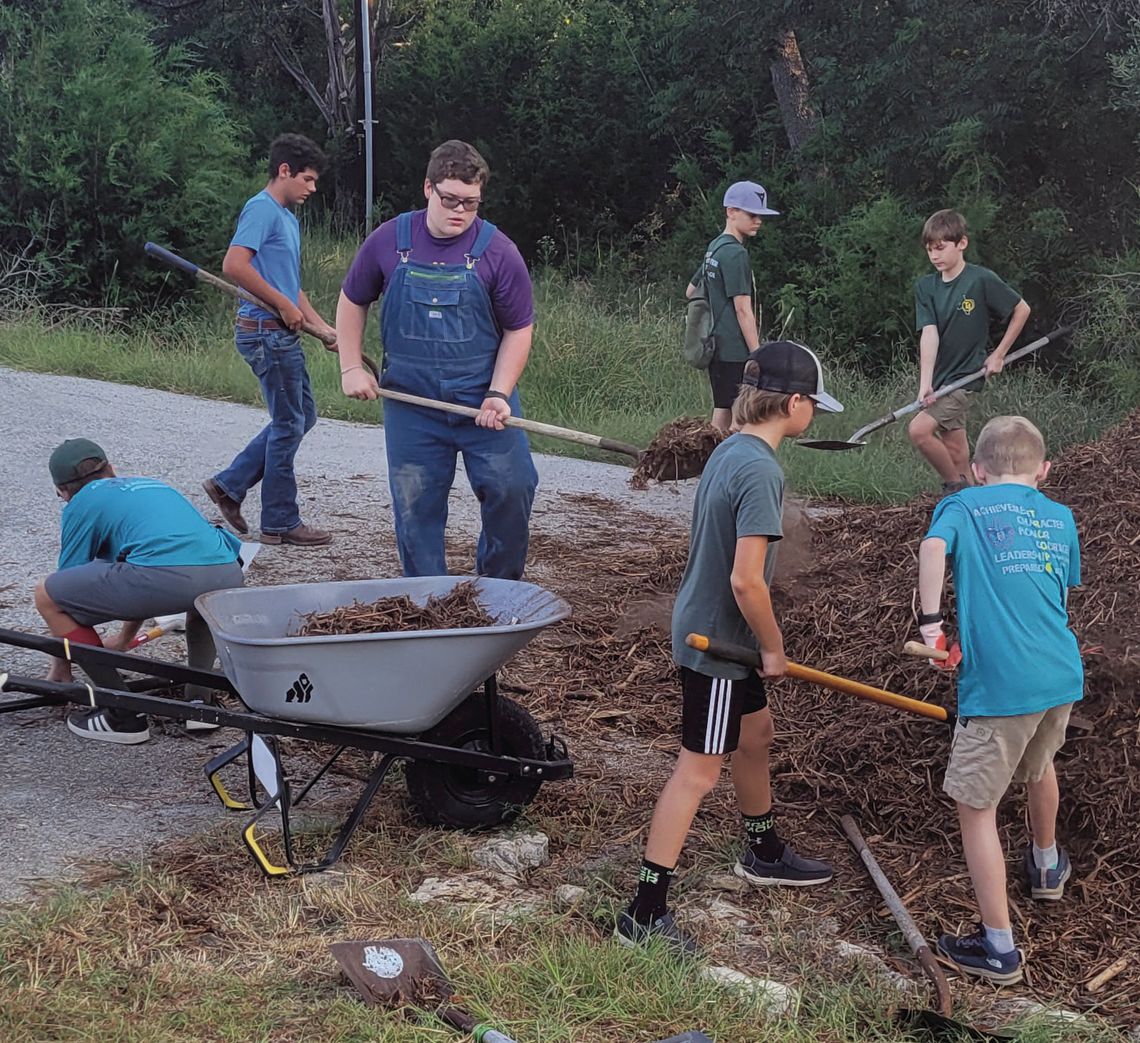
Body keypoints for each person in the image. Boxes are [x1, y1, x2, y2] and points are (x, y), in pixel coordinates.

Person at [615, 341, 843, 956]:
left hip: (719, 632)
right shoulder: (761, 470)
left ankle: (763, 850)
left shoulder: (732, 449)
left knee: (757, 736)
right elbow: (746, 580)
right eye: (813, 406)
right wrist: (774, 647)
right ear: (793, 402)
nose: (814, 417)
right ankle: (644, 909)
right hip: (720, 643)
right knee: (698, 770)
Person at [917, 415, 1082, 985]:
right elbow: (1056, 592)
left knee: (976, 807)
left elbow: (933, 548)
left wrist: (934, 629)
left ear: (978, 471)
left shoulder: (963, 507)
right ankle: (1044, 865)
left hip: (1000, 685)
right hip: (1059, 676)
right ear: (1044, 470)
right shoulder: (1061, 517)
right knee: (1040, 765)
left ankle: (998, 948)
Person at [335, 140, 538, 580]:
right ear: (428, 188)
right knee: (415, 505)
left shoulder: (499, 252)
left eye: (471, 202)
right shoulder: (390, 241)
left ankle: (498, 591)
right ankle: (429, 601)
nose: (460, 211)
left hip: (482, 402)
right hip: (411, 404)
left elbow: (519, 329)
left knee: (513, 487)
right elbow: (352, 300)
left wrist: (499, 392)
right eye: (450, 200)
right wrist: (351, 366)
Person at [35, 439, 245, 745]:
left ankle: (121, 714)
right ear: (112, 469)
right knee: (201, 606)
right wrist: (122, 639)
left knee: (46, 595)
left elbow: (66, 590)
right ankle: (199, 705)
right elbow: (132, 575)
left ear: (63, 492)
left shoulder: (82, 503)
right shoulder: (151, 485)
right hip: (226, 572)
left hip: (165, 578)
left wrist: (62, 665)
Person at [202, 133, 338, 547]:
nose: (312, 189)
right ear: (284, 171)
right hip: (264, 333)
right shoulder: (261, 209)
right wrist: (280, 305)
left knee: (301, 418)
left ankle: (230, 484)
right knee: (288, 424)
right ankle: (280, 520)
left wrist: (323, 327)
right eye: (309, 179)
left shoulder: (287, 218)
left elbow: (292, 287)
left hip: (280, 331)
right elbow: (234, 264)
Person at [910, 209, 1031, 495]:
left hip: (967, 376)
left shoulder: (980, 280)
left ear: (961, 243)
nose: (934, 256)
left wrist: (999, 354)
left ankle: (956, 488)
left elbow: (1021, 309)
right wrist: (925, 382)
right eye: (930, 250)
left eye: (941, 248)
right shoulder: (926, 287)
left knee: (918, 431)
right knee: (955, 448)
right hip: (941, 378)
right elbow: (929, 334)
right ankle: (977, 499)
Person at [686, 181, 778, 434]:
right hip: (735, 349)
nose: (758, 220)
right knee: (740, 419)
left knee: (722, 411)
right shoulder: (737, 254)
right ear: (731, 212)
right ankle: (726, 468)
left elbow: (691, 291)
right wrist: (757, 353)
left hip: (714, 345)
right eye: (752, 214)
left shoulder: (714, 248)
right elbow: (743, 309)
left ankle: (709, 466)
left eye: (760, 215)